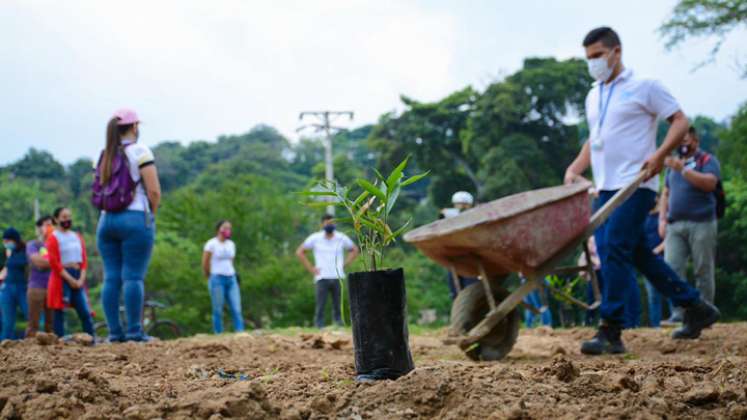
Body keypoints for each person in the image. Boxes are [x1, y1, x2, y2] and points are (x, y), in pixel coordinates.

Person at [564, 27, 719, 355]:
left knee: (613, 248)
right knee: (637, 254)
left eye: (597, 56)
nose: (593, 63)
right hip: (606, 187)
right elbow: (596, 139)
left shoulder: (644, 86)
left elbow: (679, 120)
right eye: (588, 58)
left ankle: (611, 329)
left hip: (637, 184)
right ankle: (695, 307)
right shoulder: (595, 94)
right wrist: (575, 168)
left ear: (616, 52)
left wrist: (660, 154)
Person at [96, 109, 161, 342]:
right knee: (133, 277)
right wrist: (151, 215)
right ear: (134, 127)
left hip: (106, 221)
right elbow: (153, 190)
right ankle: (135, 332)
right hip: (134, 218)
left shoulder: (106, 154)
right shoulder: (140, 151)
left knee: (111, 277)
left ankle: (114, 334)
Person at [659, 127, 721, 325]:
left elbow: (710, 184)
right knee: (672, 268)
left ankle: (705, 313)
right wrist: (662, 219)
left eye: (686, 140)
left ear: (695, 140)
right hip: (675, 225)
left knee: (703, 269)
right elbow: (666, 192)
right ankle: (679, 313)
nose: (683, 144)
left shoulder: (707, 161)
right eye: (680, 140)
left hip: (702, 223)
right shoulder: (673, 165)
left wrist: (683, 170)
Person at [296, 214, 359, 328]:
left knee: (338, 304)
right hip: (321, 276)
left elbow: (354, 250)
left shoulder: (341, 237)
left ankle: (339, 324)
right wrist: (311, 268)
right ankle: (319, 325)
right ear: (322, 224)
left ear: (335, 224)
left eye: (332, 223)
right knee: (321, 304)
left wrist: (345, 264)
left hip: (337, 275)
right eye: (327, 223)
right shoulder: (315, 238)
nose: (329, 225)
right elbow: (300, 252)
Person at [46, 207, 95, 337]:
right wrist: (70, 279)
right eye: (64, 217)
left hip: (78, 276)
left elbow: (84, 260)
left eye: (69, 217)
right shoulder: (53, 238)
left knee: (84, 311)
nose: (67, 220)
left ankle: (90, 338)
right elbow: (54, 263)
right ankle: (60, 341)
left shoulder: (76, 236)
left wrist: (80, 279)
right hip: (62, 278)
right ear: (56, 219)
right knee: (59, 312)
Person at [202, 220, 244, 334]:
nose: (228, 231)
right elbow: (205, 262)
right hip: (217, 278)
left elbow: (231, 261)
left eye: (229, 228)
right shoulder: (211, 244)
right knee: (218, 309)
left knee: (236, 307)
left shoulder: (231, 244)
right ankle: (218, 333)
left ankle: (240, 331)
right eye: (225, 228)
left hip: (231, 278)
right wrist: (208, 275)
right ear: (219, 229)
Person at [441, 191, 479, 299]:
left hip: (470, 260)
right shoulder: (449, 217)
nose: (461, 207)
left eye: (464, 205)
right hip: (454, 259)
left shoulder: (475, 217)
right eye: (458, 204)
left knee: (471, 290)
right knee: (455, 293)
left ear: (470, 206)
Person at [25, 216, 55, 336]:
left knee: (51, 325)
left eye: (51, 224)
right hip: (36, 287)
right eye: (46, 224)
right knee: (33, 325)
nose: (49, 227)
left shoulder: (56, 244)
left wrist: (48, 263)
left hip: (53, 287)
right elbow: (38, 262)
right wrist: (55, 263)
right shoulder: (32, 244)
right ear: (39, 228)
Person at [642, 196, 668, 328]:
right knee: (653, 296)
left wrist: (657, 250)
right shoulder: (643, 218)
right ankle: (655, 326)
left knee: (670, 292)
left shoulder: (663, 217)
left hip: (665, 259)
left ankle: (676, 320)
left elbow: (670, 238)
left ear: (658, 199)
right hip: (649, 262)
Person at [1, 228, 29, 340]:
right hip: (7, 287)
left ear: (15, 240)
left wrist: (10, 257)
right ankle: (4, 346)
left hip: (23, 287)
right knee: (7, 323)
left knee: (31, 317)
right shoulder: (10, 253)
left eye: (8, 241)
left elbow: (22, 263)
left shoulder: (25, 251)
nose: (6, 243)